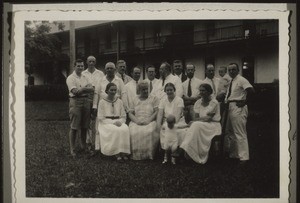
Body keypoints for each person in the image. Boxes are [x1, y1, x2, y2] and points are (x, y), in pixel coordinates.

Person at [180, 83, 222, 164]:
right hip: (201, 125)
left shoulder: (214, 102)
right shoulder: (198, 103)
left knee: (195, 125)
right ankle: (189, 154)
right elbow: (196, 117)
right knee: (187, 129)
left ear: (209, 92)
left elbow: (208, 118)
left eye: (204, 91)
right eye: (200, 91)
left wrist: (195, 121)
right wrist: (195, 121)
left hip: (213, 125)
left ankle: (182, 150)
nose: (201, 92)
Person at [92, 62, 127, 150]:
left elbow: (123, 93)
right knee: (99, 127)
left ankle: (117, 147)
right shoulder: (101, 80)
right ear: (105, 70)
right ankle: (99, 147)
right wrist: (95, 106)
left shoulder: (119, 80)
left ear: (115, 70)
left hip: (116, 105)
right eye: (107, 68)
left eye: (111, 68)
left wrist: (125, 106)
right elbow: (96, 93)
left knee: (117, 128)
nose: (109, 70)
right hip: (103, 105)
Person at [224, 63, 254, 163]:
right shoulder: (232, 81)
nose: (231, 71)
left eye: (233, 69)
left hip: (238, 106)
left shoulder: (242, 79)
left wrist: (245, 102)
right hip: (230, 106)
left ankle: (244, 157)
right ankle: (234, 154)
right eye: (230, 70)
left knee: (240, 132)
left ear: (238, 70)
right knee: (231, 132)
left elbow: (251, 90)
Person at [66, 59, 94, 158]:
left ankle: (84, 147)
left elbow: (92, 89)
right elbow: (75, 92)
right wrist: (84, 89)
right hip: (75, 102)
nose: (80, 68)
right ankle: (72, 149)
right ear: (74, 66)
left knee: (85, 126)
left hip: (86, 102)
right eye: (78, 66)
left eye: (82, 66)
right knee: (74, 127)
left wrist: (82, 89)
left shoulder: (85, 77)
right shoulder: (70, 78)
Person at [97, 83, 131, 161]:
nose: (113, 92)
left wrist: (120, 122)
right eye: (111, 90)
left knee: (125, 128)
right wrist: (113, 122)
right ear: (107, 91)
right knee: (115, 130)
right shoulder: (102, 102)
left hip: (118, 121)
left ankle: (123, 152)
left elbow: (123, 115)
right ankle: (116, 153)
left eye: (115, 90)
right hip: (106, 123)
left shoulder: (119, 101)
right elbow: (101, 118)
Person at [128, 81, 160, 160]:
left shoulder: (154, 98)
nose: (145, 91)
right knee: (133, 131)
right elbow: (130, 113)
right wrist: (136, 121)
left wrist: (148, 120)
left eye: (146, 89)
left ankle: (148, 154)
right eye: (143, 89)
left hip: (150, 120)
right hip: (137, 120)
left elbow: (157, 111)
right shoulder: (135, 99)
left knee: (149, 131)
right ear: (139, 90)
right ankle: (136, 154)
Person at [156, 83, 188, 160]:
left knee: (182, 132)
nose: (169, 91)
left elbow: (178, 113)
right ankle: (167, 153)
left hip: (178, 121)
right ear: (165, 91)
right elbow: (160, 114)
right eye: (167, 90)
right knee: (163, 130)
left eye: (171, 90)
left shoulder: (179, 100)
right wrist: (158, 124)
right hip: (166, 121)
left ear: (174, 90)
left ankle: (178, 153)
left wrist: (173, 125)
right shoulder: (163, 100)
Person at [82, 56, 104, 153]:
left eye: (93, 61)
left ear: (95, 62)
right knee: (88, 121)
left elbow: (101, 87)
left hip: (98, 99)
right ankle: (88, 142)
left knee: (97, 121)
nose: (91, 63)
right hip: (86, 98)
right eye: (89, 61)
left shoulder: (100, 73)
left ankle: (98, 143)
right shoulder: (83, 73)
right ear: (87, 62)